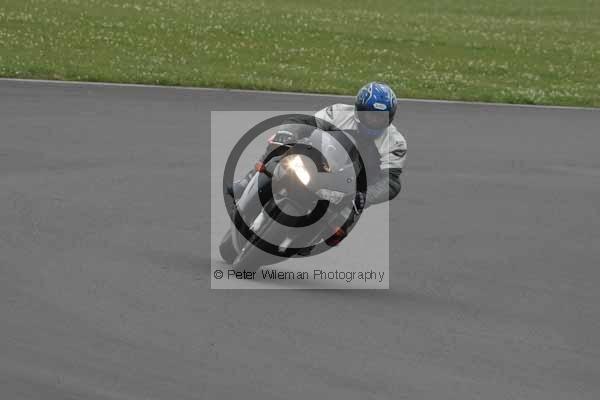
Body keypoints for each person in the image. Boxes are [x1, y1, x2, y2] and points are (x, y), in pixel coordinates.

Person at [229, 82, 407, 209]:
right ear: (359, 111)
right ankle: (249, 180)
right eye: (370, 115)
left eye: (380, 117)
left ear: (390, 116)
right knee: (280, 147)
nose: (374, 121)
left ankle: (312, 241)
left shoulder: (395, 143)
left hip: (350, 188)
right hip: (320, 162)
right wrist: (289, 133)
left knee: (340, 228)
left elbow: (390, 181)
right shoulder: (338, 113)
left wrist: (366, 197)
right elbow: (305, 123)